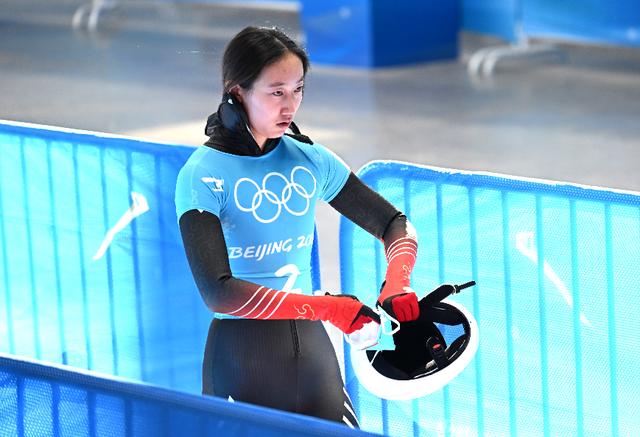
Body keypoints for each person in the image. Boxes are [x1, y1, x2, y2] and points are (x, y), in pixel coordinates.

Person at [175, 26, 419, 428]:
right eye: (276, 92)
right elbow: (219, 293)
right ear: (237, 92)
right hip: (240, 358)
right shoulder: (202, 174)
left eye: (298, 90)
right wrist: (329, 308)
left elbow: (393, 222)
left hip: (313, 357)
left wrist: (398, 282)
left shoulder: (309, 159)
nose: (290, 106)